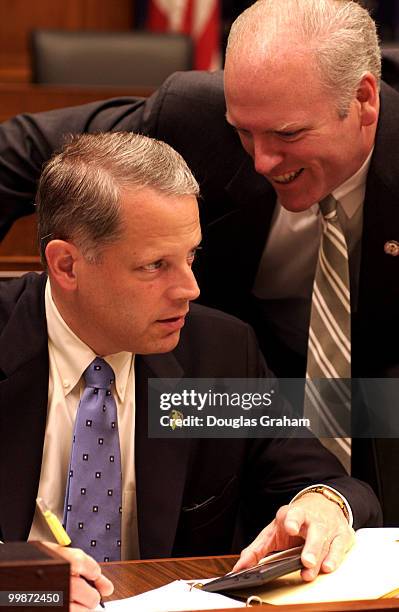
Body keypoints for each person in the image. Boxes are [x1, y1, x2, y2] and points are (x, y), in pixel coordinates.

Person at [0, 0, 397, 519]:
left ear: (363, 99)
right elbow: (20, 154)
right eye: (244, 132)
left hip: (366, 392)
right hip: (198, 380)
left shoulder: (225, 351)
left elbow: (329, 480)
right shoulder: (194, 117)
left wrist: (330, 499)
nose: (260, 161)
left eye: (288, 134)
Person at [0, 132, 380, 610]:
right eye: (155, 265)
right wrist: (21, 583)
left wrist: (324, 504)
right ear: (67, 265)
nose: (190, 288)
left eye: (191, 256)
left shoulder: (216, 355)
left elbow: (333, 484)